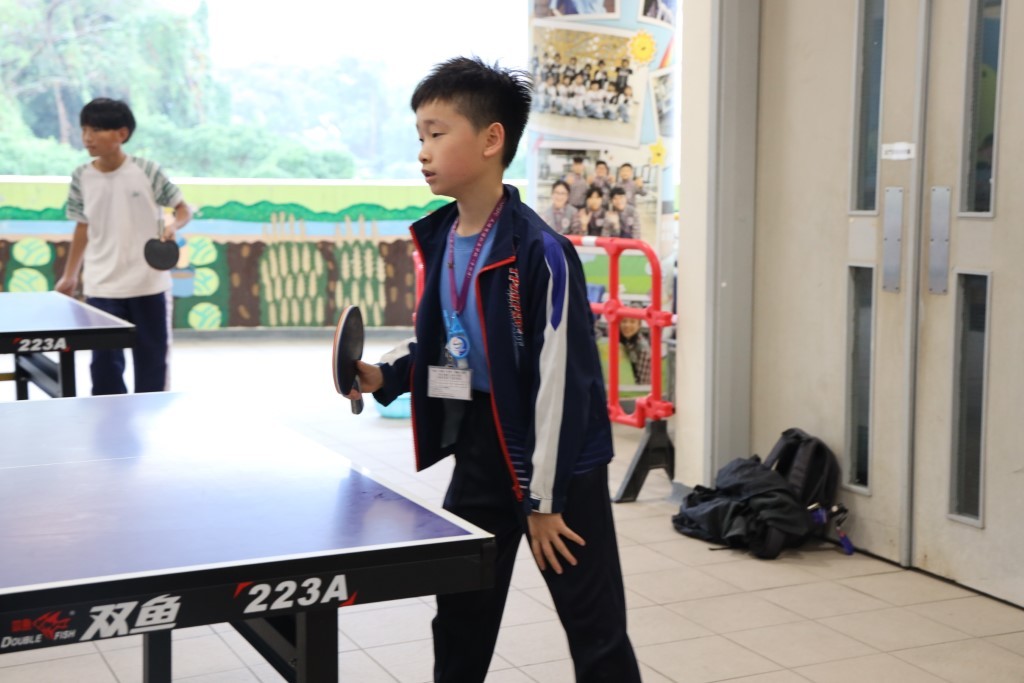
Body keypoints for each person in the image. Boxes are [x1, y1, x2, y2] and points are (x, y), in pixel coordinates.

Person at [347, 57, 641, 683]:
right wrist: (386, 377)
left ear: (491, 139)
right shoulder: (442, 235)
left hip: (559, 462)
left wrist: (544, 500)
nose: (423, 151)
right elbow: (448, 341)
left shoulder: (542, 253)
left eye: (436, 133)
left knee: (594, 629)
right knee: (461, 618)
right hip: (481, 449)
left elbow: (562, 385)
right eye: (419, 136)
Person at [56, 97, 191, 395]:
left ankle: (150, 419)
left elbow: (184, 208)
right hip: (102, 286)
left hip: (149, 284)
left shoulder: (147, 170)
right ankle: (109, 421)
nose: (87, 137)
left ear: (122, 134)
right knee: (104, 367)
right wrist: (70, 275)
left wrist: (173, 225)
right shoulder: (81, 176)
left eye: (96, 130)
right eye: (84, 129)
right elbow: (82, 226)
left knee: (152, 364)